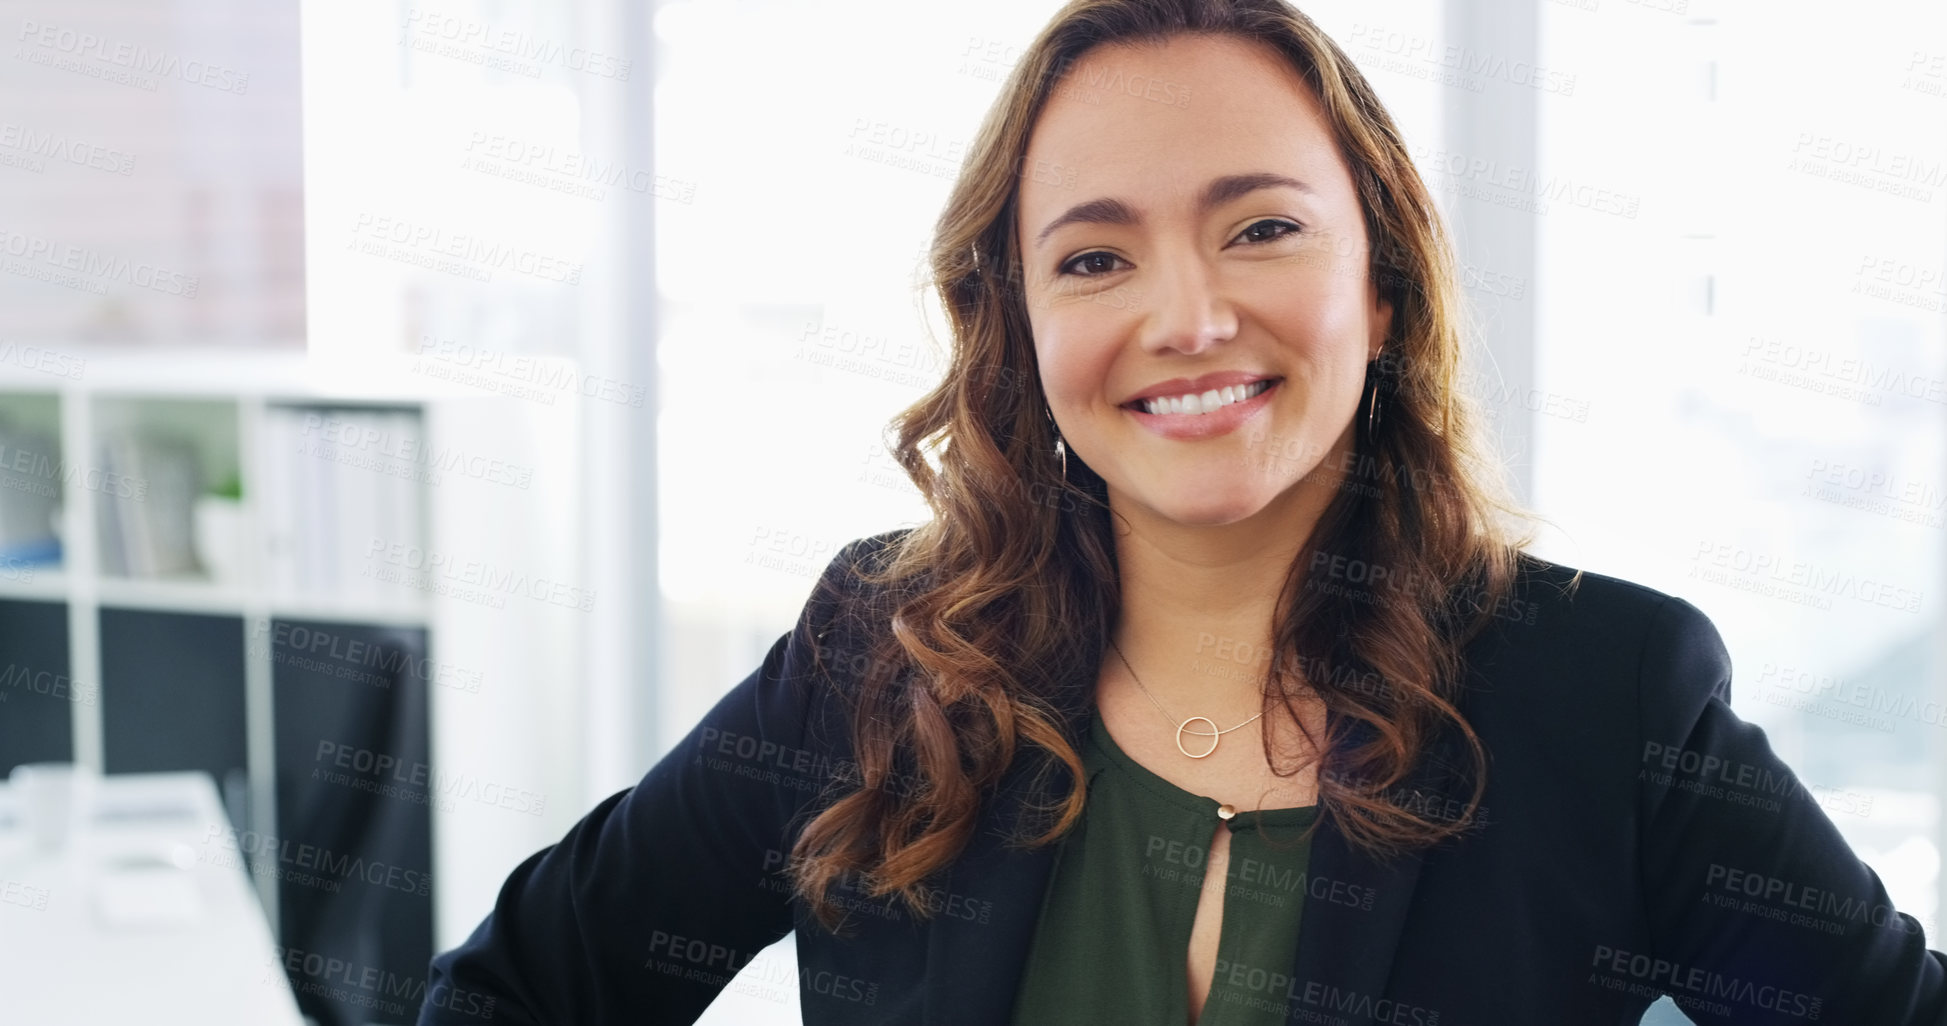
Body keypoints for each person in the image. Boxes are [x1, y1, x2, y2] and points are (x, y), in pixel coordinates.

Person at [417, 1, 1947, 1023]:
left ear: (1384, 282)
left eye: (1262, 227)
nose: (1189, 315)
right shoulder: (880, 659)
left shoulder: (1606, 698)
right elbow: (519, 987)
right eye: (1095, 258)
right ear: (1016, 328)